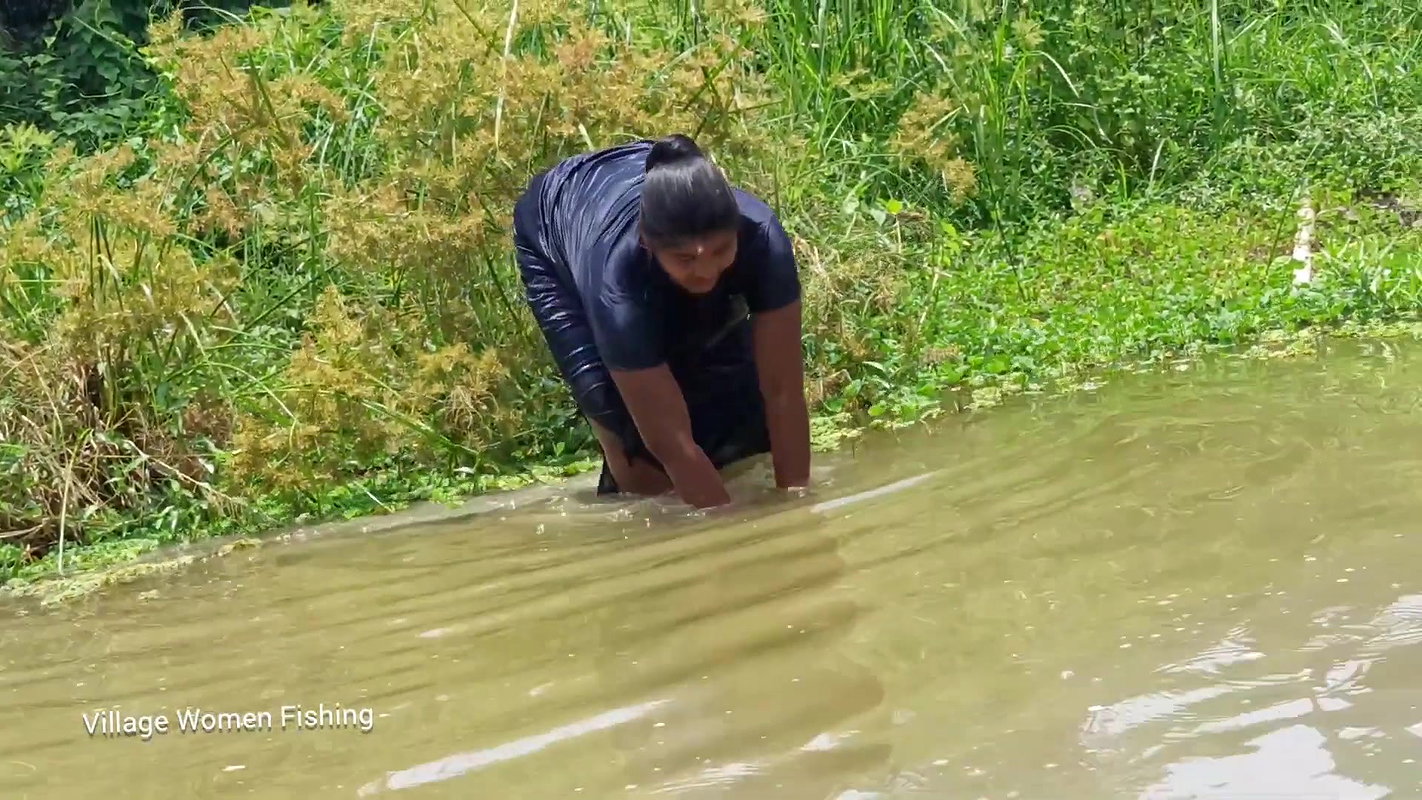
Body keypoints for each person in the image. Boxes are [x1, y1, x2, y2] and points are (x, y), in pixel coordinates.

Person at [511, 133, 811, 509]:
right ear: (648, 245)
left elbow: (783, 393)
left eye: (721, 250)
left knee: (741, 407)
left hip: (659, 179)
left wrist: (799, 507)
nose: (706, 271)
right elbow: (671, 444)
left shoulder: (763, 236)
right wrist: (731, 533)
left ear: (737, 229)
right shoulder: (616, 281)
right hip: (555, 218)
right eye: (686, 259)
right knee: (635, 449)